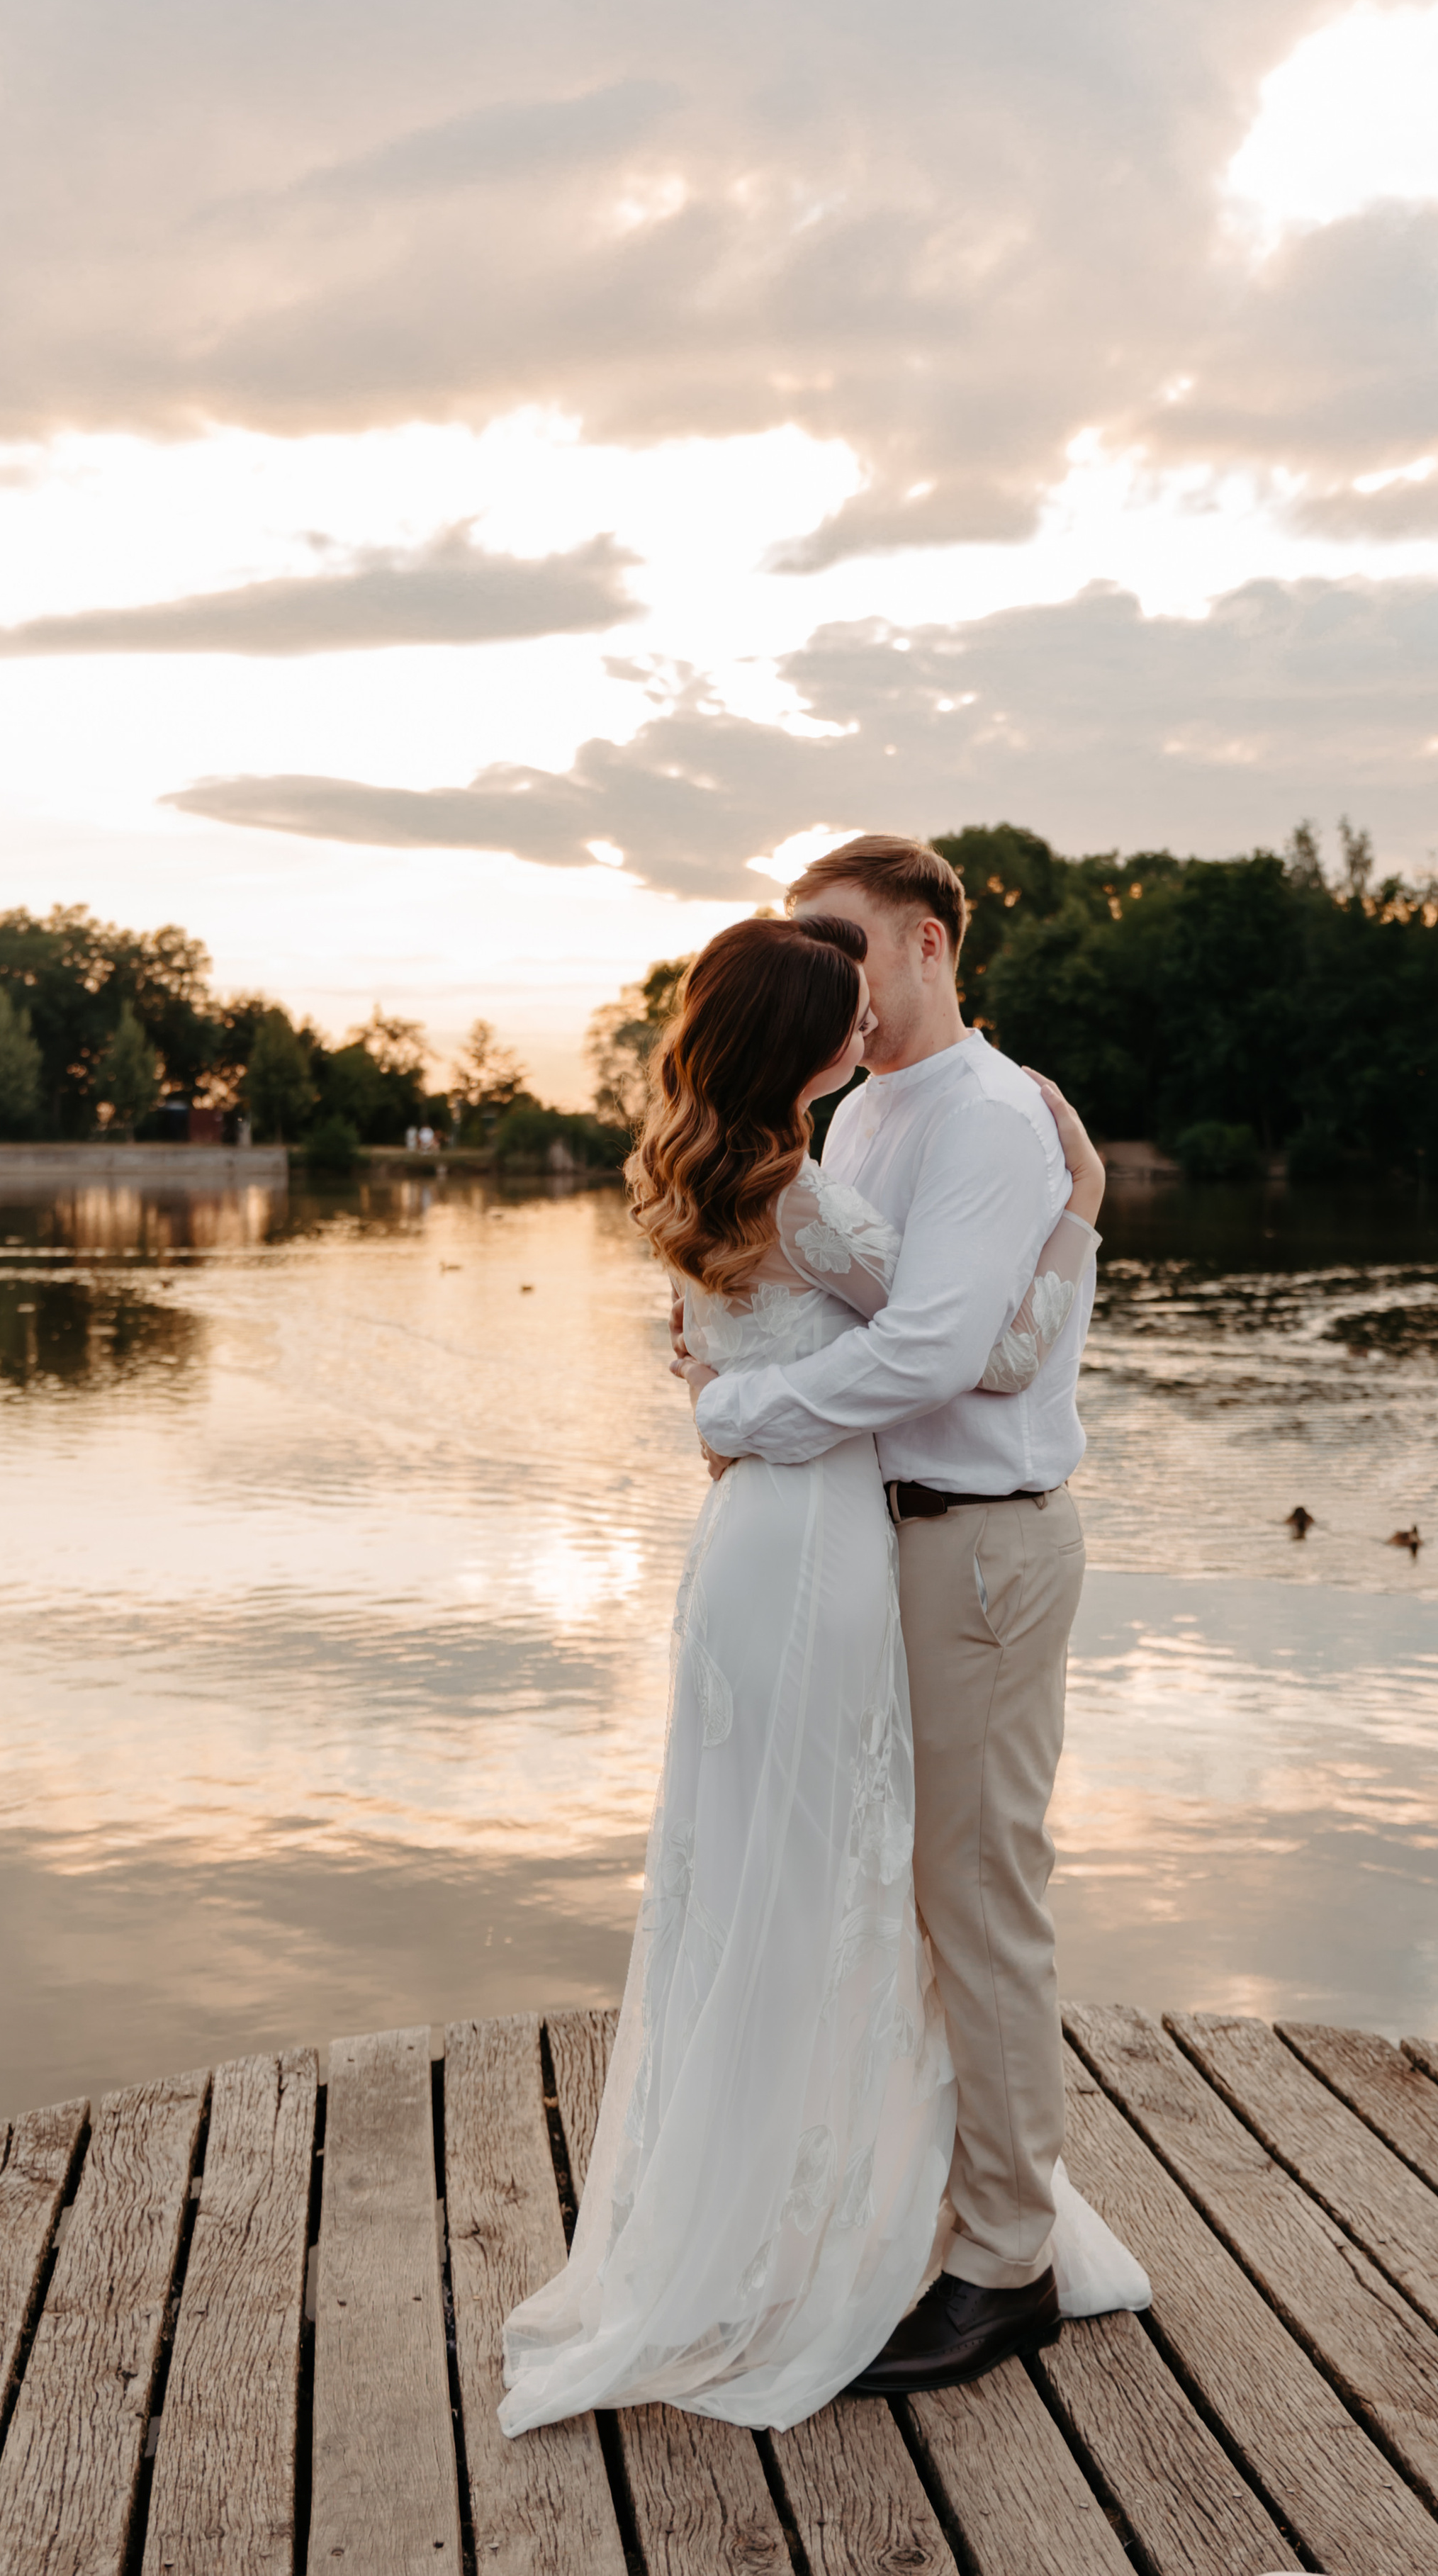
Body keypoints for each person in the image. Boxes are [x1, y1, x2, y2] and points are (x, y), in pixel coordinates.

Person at [500, 901, 1145, 2436]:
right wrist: (1083, 1208)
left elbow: (732, 1350)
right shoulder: (815, 1189)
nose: (864, 1022)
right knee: (833, 1872)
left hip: (749, 1549)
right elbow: (975, 1352)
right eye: (835, 1009)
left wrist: (728, 1400)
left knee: (760, 1872)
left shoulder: (710, 1174)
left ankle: (785, 2207)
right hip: (811, 1546)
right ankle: (844, 2219)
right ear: (802, 1044)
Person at [690, 834, 1128, 2394]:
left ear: (930, 942)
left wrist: (747, 1411)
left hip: (977, 1549)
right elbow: (881, 1313)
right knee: (885, 1895)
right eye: (800, 942)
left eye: (846, 941)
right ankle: (917, 2209)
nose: (824, 971)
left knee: (976, 1896)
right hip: (866, 1550)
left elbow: (946, 1354)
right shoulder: (864, 1109)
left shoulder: (991, 1119)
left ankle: (1006, 2260)